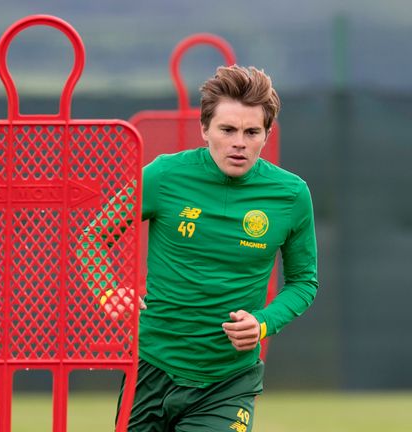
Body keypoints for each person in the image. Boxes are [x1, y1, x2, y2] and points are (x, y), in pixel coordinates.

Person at [98, 65, 318, 431]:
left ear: (266, 135)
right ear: (205, 130)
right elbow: (93, 237)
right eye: (228, 130)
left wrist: (263, 323)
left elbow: (304, 282)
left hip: (228, 382)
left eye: (252, 132)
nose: (239, 142)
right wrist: (108, 291)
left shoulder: (292, 195)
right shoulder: (164, 176)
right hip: (149, 369)